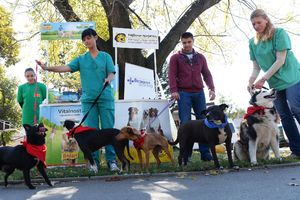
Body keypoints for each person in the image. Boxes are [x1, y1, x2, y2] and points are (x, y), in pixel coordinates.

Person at [36, 28, 119, 171]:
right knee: (91, 134)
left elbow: (111, 73)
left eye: (89, 37)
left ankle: (112, 161)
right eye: (84, 39)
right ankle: (95, 164)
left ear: (95, 37)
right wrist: (47, 68)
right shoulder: (81, 59)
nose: (87, 41)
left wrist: (108, 79)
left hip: (105, 98)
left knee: (108, 131)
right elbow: (65, 67)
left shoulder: (106, 56)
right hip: (88, 101)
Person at [248, 9, 300, 158]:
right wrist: (251, 80)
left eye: (258, 22)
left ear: (266, 20)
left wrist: (263, 79)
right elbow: (256, 67)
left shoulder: (279, 33)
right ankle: (297, 150)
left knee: (296, 107)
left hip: (292, 77)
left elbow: (280, 60)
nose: (256, 26)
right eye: (253, 24)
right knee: (284, 115)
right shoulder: (253, 42)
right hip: (275, 83)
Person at [168, 32, 216, 161]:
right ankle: (185, 155)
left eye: (189, 42)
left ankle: (205, 153)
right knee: (185, 124)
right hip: (183, 93)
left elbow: (206, 74)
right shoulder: (175, 58)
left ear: (193, 41)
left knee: (204, 122)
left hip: (199, 93)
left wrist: (211, 88)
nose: (187, 45)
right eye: (184, 43)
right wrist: (174, 90)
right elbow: (171, 75)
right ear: (181, 43)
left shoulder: (200, 57)